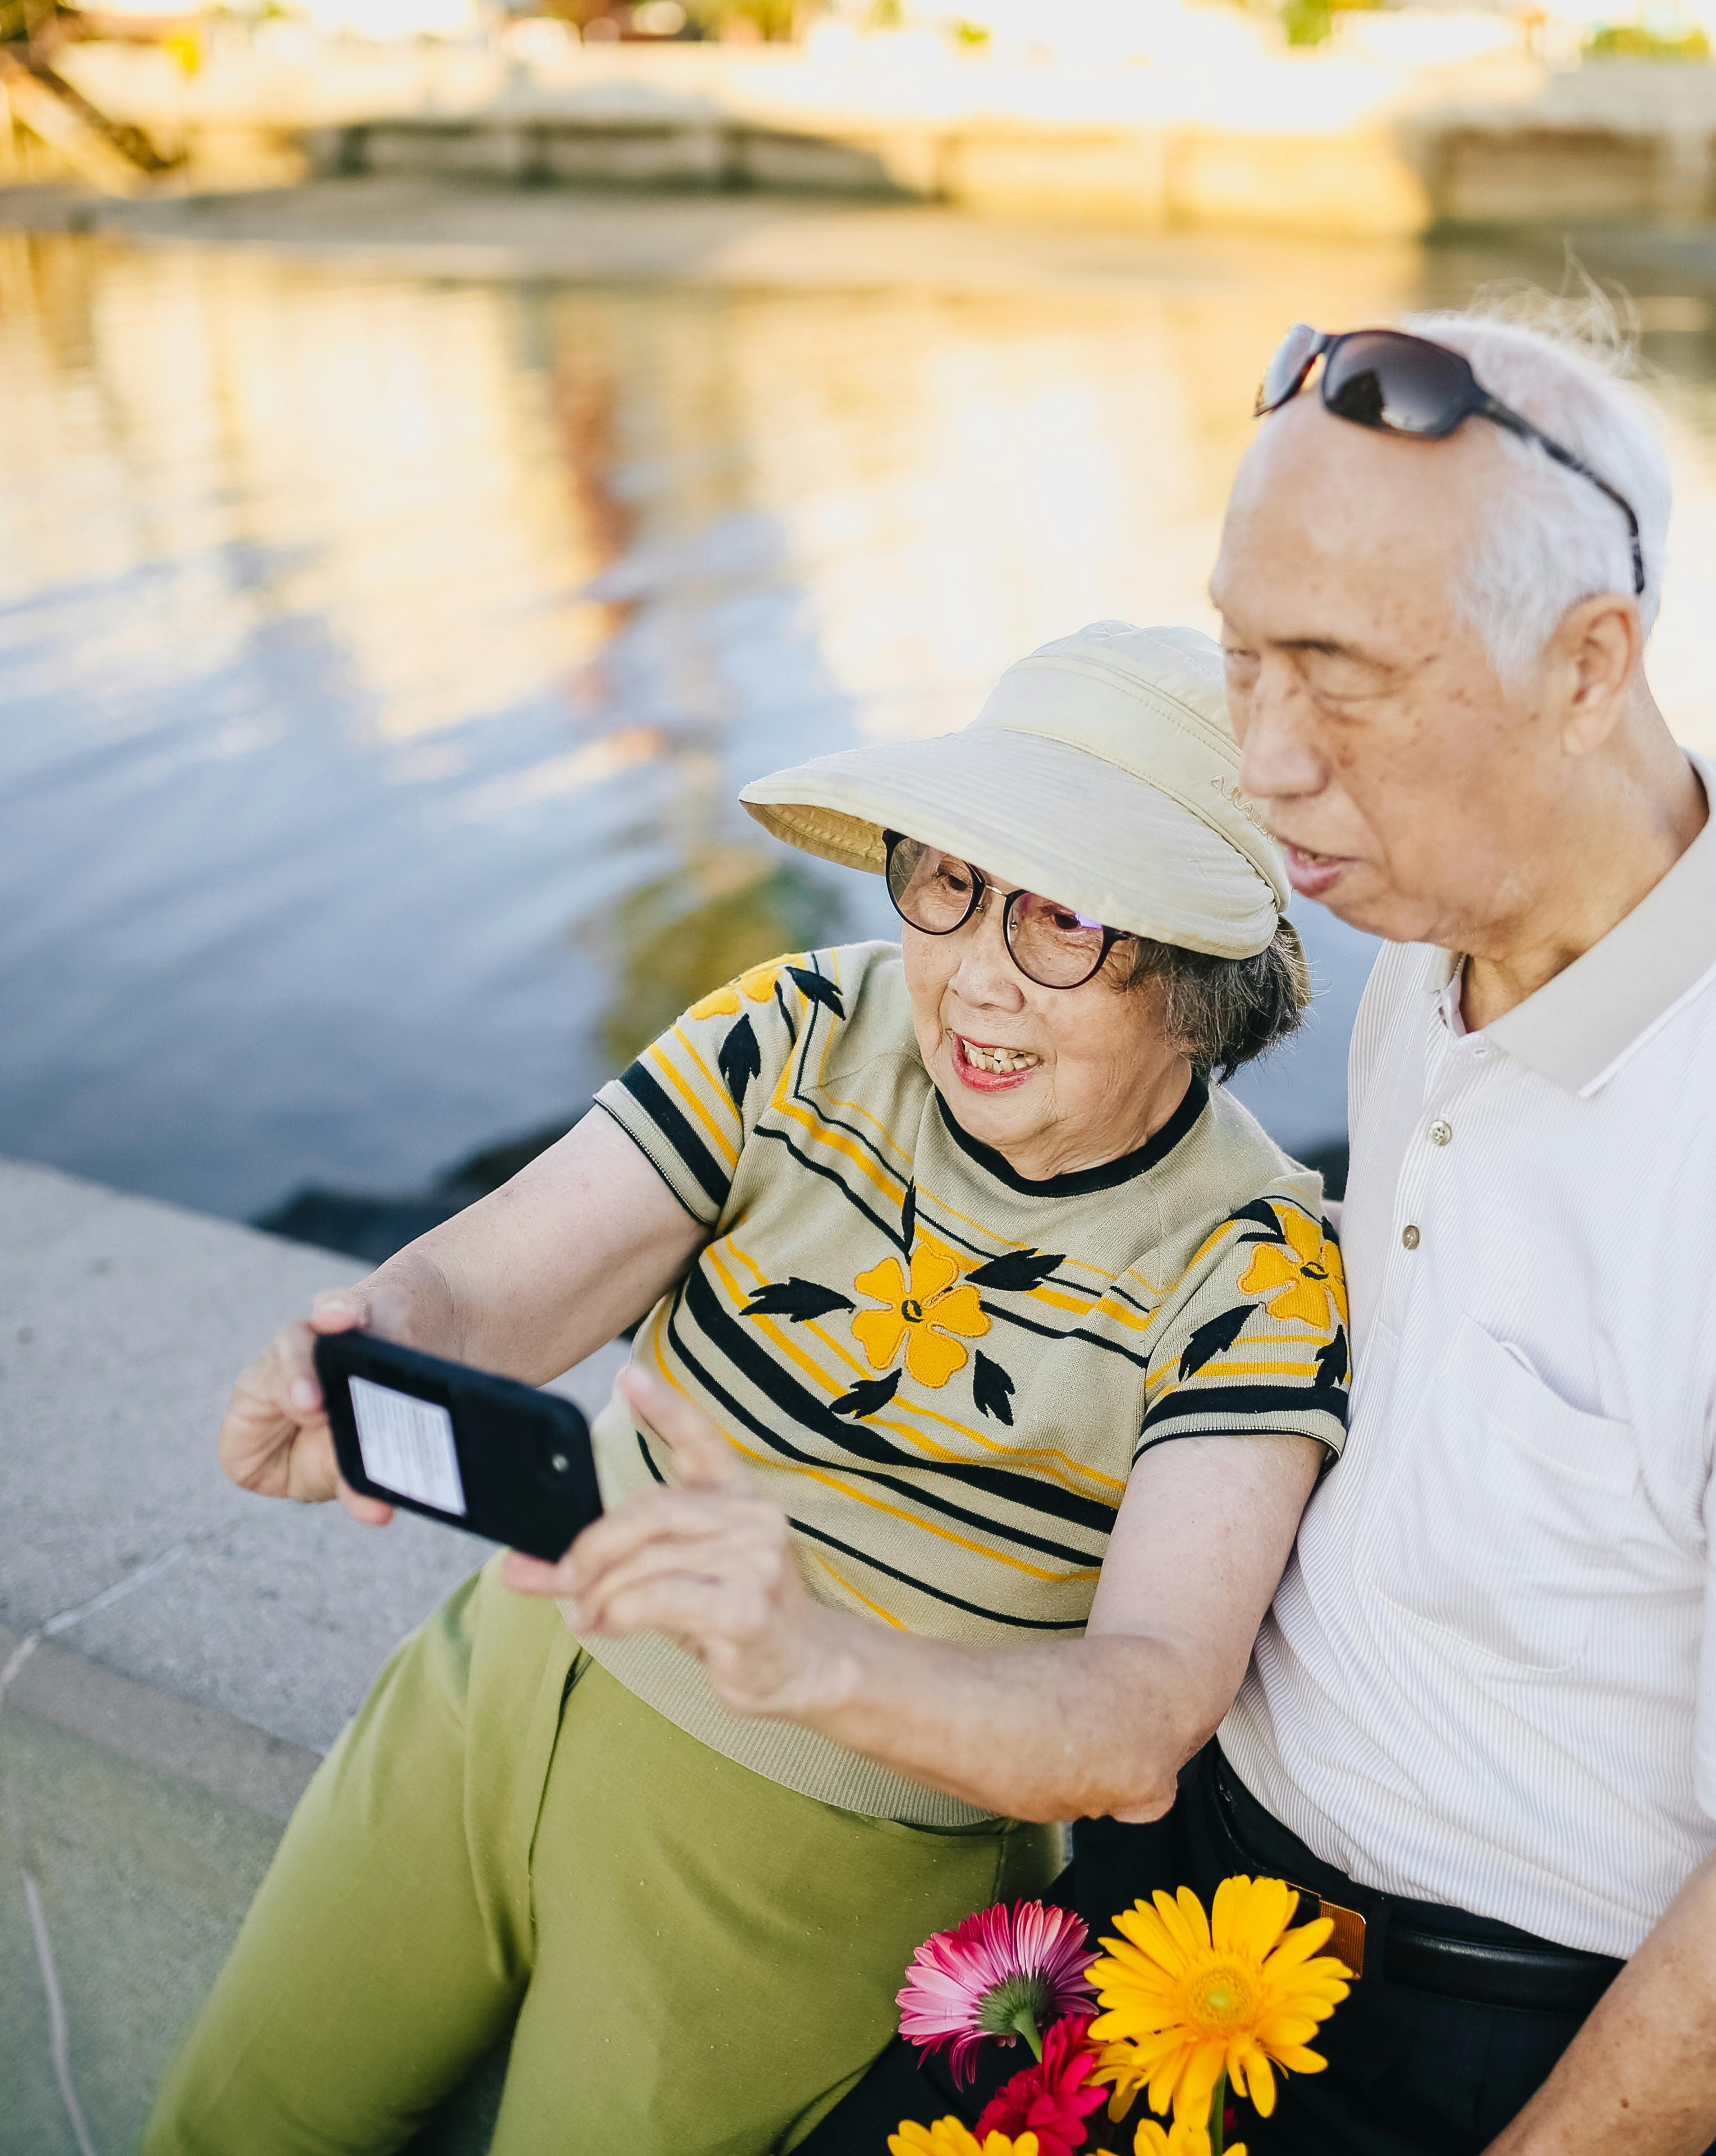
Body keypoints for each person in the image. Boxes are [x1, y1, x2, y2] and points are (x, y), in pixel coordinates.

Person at [143, 623, 1353, 2156]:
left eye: (1060, 921)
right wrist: (367, 1345)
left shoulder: (1259, 1272)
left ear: (1196, 979)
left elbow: (1139, 1719)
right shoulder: (803, 1033)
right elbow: (501, 1280)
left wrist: (806, 1655)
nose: (975, 974)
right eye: (953, 881)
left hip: (794, 1880)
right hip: (486, 1697)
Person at [1178, 307, 1716, 2153]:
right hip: (1213, 1928)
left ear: (1590, 668)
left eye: (1338, 676)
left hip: (1504, 2044)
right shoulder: (1441, 919)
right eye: (1241, 658)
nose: (1269, 760)